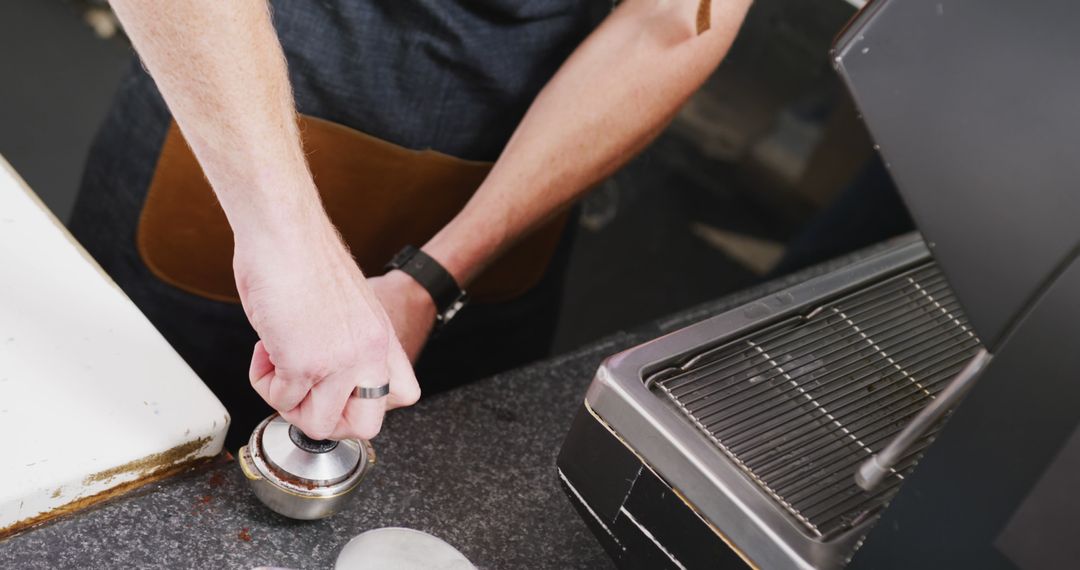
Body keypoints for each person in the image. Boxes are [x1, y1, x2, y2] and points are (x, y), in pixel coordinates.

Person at [69, 0, 752, 448]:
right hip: (230, 137)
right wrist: (290, 241)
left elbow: (669, 23)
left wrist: (435, 275)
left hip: (506, 191)